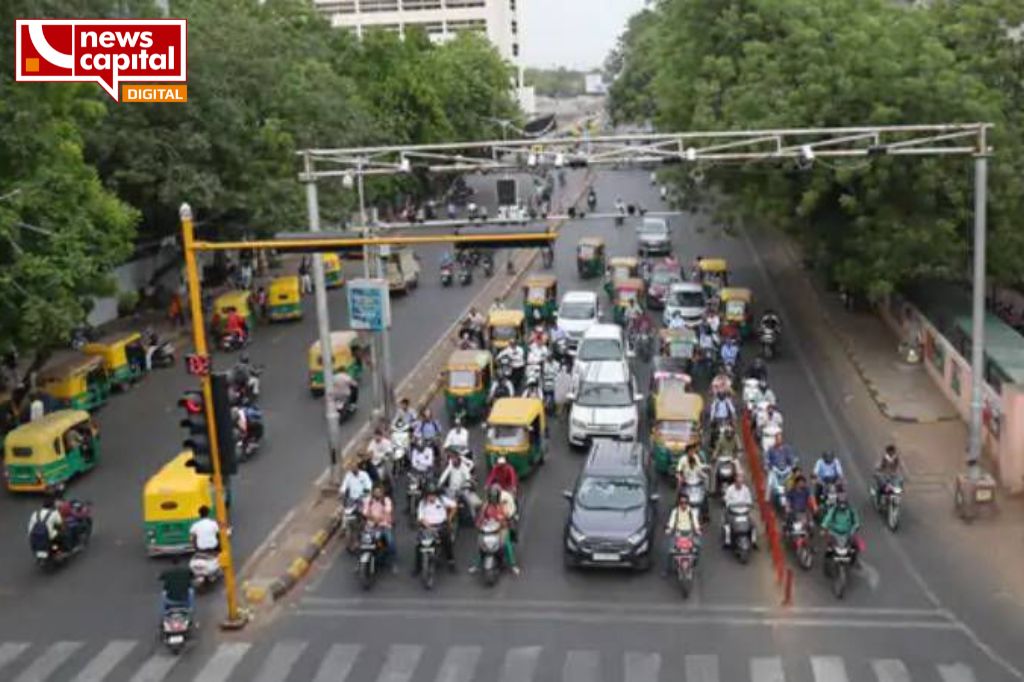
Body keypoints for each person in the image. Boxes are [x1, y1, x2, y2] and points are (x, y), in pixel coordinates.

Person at [469, 485, 520, 576]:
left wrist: (504, 520)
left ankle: (513, 565)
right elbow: (481, 517)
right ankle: (477, 565)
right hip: (488, 530)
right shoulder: (486, 506)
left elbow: (507, 515)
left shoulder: (502, 505)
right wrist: (479, 524)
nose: (493, 499)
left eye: (495, 497)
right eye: (491, 497)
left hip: (500, 529)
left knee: (506, 544)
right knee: (481, 545)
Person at [415, 484, 457, 574]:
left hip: (441, 526)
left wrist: (449, 518)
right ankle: (418, 567)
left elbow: (454, 506)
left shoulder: (442, 500)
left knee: (447, 541)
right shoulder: (422, 503)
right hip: (427, 527)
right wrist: (428, 526)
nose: (431, 497)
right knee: (419, 545)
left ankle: (451, 562)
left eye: (433, 494)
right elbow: (420, 518)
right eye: (429, 495)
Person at [663, 492, 701, 576]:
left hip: (689, 534)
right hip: (678, 534)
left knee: (698, 546)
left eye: (685, 503)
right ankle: (667, 569)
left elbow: (695, 523)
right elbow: (671, 523)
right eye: (682, 503)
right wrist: (669, 530)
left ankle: (694, 564)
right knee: (669, 550)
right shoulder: (675, 512)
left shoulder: (691, 512)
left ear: (688, 503)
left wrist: (698, 530)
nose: (683, 505)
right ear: (679, 503)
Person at [362, 483, 397, 572]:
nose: (377, 494)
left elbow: (388, 511)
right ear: (373, 492)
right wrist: (373, 518)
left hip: (384, 526)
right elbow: (365, 512)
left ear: (382, 493)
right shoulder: (368, 501)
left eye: (379, 492)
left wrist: (380, 518)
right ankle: (360, 564)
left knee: (390, 543)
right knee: (364, 543)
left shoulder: (386, 500)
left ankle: (392, 563)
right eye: (376, 492)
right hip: (371, 526)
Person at [437, 448, 480, 517]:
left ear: (458, 458)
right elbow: (444, 475)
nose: (453, 460)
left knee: (471, 502)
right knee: (445, 501)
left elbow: (468, 478)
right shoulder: (450, 466)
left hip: (463, 489)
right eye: (452, 458)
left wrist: (471, 483)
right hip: (452, 489)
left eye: (455, 458)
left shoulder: (464, 467)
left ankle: (474, 517)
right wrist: (439, 483)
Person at [722, 472, 754, 547]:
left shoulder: (746, 489)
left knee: (753, 525)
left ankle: (753, 541)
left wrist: (748, 504)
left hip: (744, 513)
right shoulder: (730, 489)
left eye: (741, 482)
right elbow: (726, 499)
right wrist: (729, 504)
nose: (739, 484)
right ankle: (727, 542)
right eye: (738, 482)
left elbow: (749, 499)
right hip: (733, 513)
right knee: (727, 526)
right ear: (735, 481)